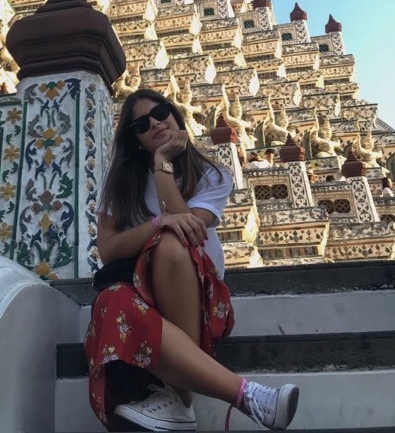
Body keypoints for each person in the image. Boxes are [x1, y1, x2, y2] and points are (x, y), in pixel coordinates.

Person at [84, 89, 299, 432]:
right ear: (135, 139)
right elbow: (108, 250)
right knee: (112, 299)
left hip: (200, 299)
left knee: (171, 243)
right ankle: (247, 397)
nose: (155, 122)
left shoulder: (212, 175)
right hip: (139, 298)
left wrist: (163, 166)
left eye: (161, 111)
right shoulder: (120, 182)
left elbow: (189, 233)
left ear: (176, 114)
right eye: (142, 124)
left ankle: (180, 395)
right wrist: (158, 222)